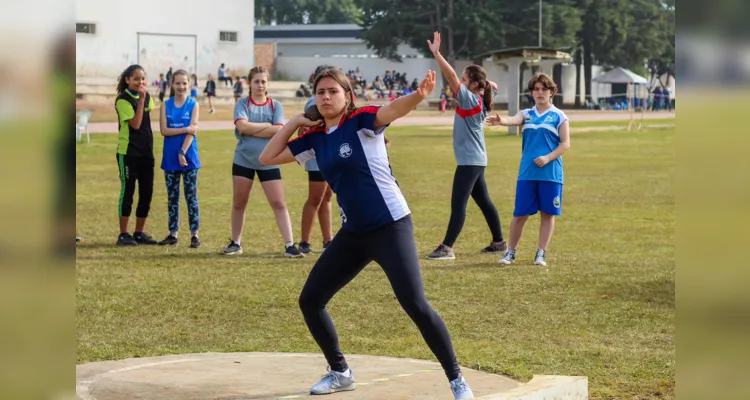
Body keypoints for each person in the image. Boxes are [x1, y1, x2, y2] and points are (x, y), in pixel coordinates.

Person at [258, 68, 475, 399]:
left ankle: (457, 379)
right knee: (311, 300)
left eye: (333, 91)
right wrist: (295, 123)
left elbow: (393, 110)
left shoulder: (361, 122)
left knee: (415, 303)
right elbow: (267, 157)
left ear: (347, 95)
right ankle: (340, 372)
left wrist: (418, 95)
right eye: (320, 92)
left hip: (390, 225)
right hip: (355, 233)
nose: (326, 97)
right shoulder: (314, 138)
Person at [425, 32, 506, 260]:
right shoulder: (484, 97)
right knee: (484, 202)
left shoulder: (471, 99)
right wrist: (481, 81)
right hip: (477, 160)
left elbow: (450, 76)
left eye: (464, 79)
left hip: (470, 161)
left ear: (473, 84)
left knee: (458, 203)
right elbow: (493, 84)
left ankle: (447, 247)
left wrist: (438, 54)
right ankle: (499, 243)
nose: (459, 82)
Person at [486, 72, 570, 266]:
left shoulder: (559, 116)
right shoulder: (527, 114)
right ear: (532, 93)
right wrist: (502, 121)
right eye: (536, 89)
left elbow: (565, 144)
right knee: (520, 214)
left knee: (547, 214)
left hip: (551, 174)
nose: (540, 93)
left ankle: (540, 253)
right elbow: (514, 119)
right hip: (527, 173)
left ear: (551, 92)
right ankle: (510, 252)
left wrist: (548, 158)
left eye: (544, 89)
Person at [222, 66, 303, 258]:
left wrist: (257, 128)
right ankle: (236, 243)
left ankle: (290, 245)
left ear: (268, 84)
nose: (260, 85)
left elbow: (278, 130)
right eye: (256, 81)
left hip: (269, 160)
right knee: (239, 202)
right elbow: (242, 127)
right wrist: (267, 126)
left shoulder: (275, 106)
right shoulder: (242, 104)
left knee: (278, 202)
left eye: (263, 81)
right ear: (249, 83)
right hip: (243, 160)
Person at [114, 64, 158, 246]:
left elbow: (150, 116)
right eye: (136, 79)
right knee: (128, 191)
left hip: (146, 152)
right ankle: (123, 234)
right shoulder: (122, 100)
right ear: (127, 80)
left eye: (142, 78)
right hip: (129, 152)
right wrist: (140, 100)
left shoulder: (147, 96)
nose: (140, 82)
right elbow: (136, 124)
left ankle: (139, 232)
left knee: (146, 192)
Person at [157, 69, 202, 248]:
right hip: (170, 158)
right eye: (178, 83)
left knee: (191, 197)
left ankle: (194, 235)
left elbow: (193, 132)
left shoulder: (193, 105)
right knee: (172, 197)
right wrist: (185, 129)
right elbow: (164, 131)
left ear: (189, 84)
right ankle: (173, 234)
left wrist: (183, 151)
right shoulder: (165, 105)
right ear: (171, 85)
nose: (181, 87)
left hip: (189, 157)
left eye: (184, 83)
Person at [298, 65, 336, 254]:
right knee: (315, 198)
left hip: (330, 153)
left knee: (327, 197)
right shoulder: (314, 101)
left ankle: (328, 240)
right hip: (317, 155)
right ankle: (305, 241)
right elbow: (309, 119)